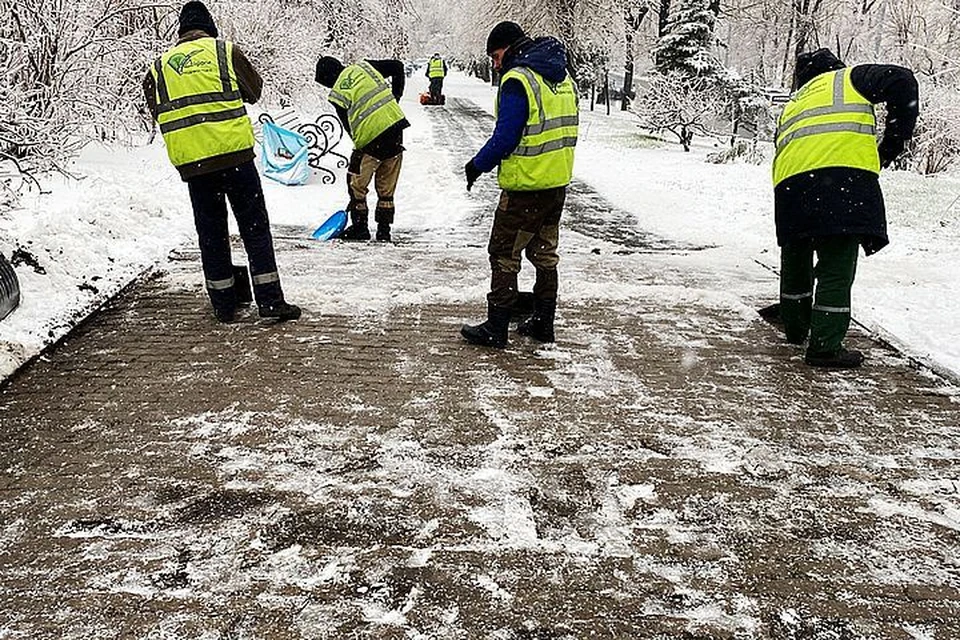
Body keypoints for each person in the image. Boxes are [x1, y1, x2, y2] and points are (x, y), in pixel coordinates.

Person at [142, 1, 300, 324]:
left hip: (196, 167)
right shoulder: (225, 52)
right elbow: (254, 91)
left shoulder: (159, 68)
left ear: (180, 31)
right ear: (209, 27)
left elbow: (156, 108)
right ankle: (270, 302)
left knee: (211, 233)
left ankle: (224, 305)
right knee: (254, 227)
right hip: (236, 160)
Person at [772, 49, 918, 368]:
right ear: (834, 67)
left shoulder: (793, 103)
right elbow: (902, 80)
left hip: (789, 188)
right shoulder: (849, 78)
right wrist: (891, 145)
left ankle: (795, 327)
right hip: (840, 182)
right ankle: (824, 346)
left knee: (795, 258)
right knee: (836, 264)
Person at [460, 21, 579, 348]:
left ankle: (496, 327)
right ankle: (543, 323)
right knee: (544, 254)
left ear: (510, 48)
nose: (496, 65)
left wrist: (476, 165)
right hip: (556, 185)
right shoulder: (562, 77)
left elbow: (506, 137)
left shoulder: (518, 80)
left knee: (503, 253)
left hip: (525, 188)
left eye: (496, 56)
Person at [315, 55, 410, 242]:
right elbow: (398, 67)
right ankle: (384, 230)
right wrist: (395, 97)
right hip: (396, 128)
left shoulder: (337, 94)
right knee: (386, 183)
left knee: (355, 182)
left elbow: (350, 128)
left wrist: (359, 150)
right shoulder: (366, 67)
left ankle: (360, 227)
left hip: (371, 140)